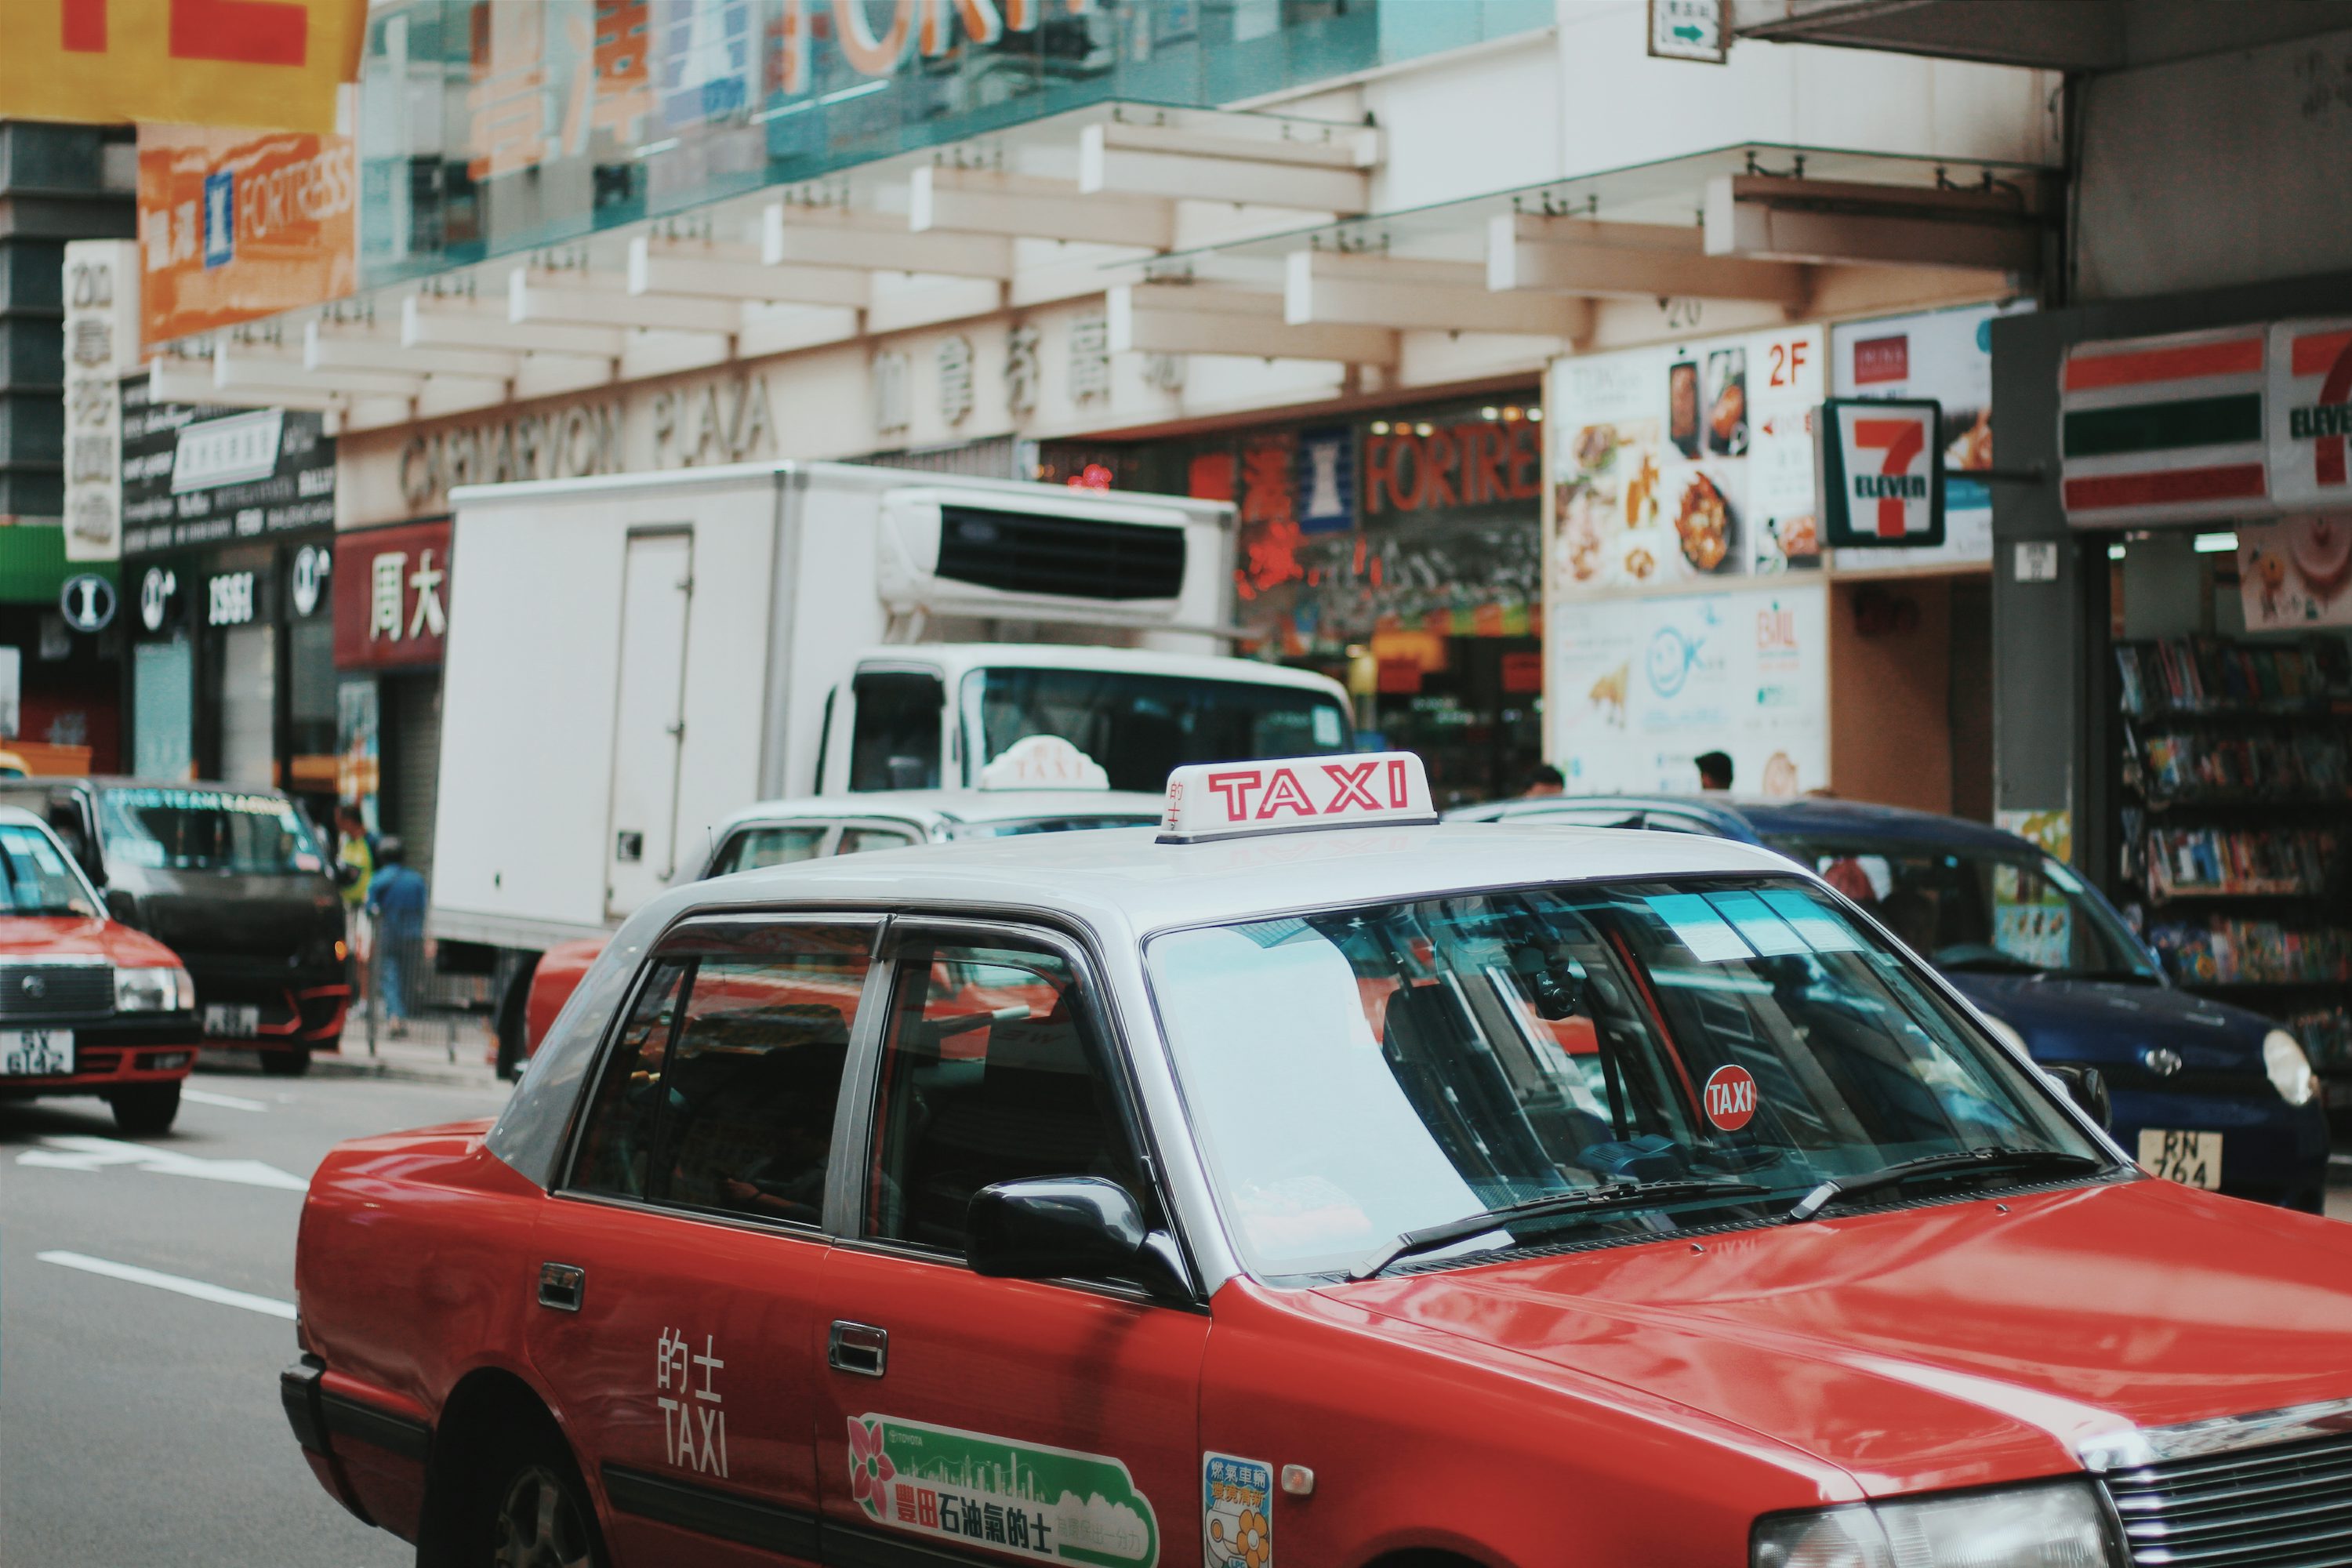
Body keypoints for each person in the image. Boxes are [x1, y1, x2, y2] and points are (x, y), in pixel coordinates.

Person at [367, 837, 429, 1038]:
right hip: (412, 935)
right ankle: (401, 1017)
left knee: (389, 976)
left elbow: (370, 907)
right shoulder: (416, 880)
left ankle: (395, 1016)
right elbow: (423, 907)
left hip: (388, 934)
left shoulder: (379, 879)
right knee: (406, 977)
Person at [334, 806, 373, 992]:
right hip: (348, 906)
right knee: (346, 952)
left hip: (367, 909)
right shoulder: (345, 842)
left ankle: (367, 997)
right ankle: (351, 995)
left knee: (363, 955)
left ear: (350, 821)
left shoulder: (371, 841)